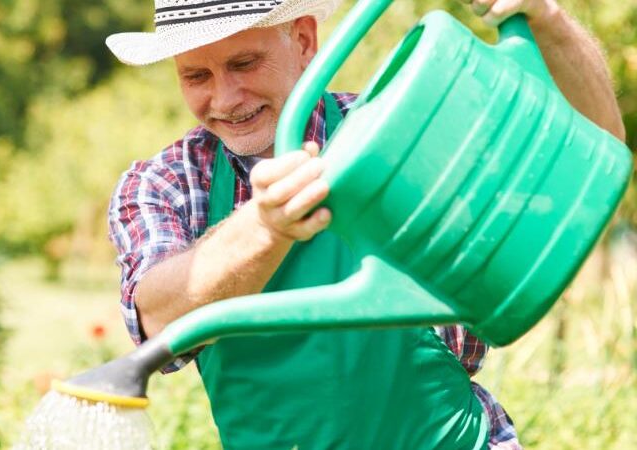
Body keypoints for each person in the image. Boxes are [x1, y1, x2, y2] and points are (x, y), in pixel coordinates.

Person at [106, 0, 626, 448]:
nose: (224, 98)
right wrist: (265, 226)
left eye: (245, 62)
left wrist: (547, 18)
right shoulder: (164, 183)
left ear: (305, 40)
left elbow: (593, 147)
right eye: (197, 76)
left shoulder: (400, 130)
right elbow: (157, 317)